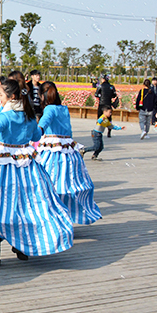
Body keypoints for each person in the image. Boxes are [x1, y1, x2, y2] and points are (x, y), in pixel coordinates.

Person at [0, 79, 74, 265]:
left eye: (0, 95)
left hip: (4, 166)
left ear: (11, 96)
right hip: (27, 167)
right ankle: (21, 244)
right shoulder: (29, 115)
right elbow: (36, 136)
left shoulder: (6, 116)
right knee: (26, 205)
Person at [37, 82, 101, 225]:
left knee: (46, 185)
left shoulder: (49, 109)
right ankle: (67, 216)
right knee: (67, 186)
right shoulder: (63, 109)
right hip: (68, 152)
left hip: (52, 153)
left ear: (42, 96)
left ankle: (51, 219)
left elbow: (41, 127)